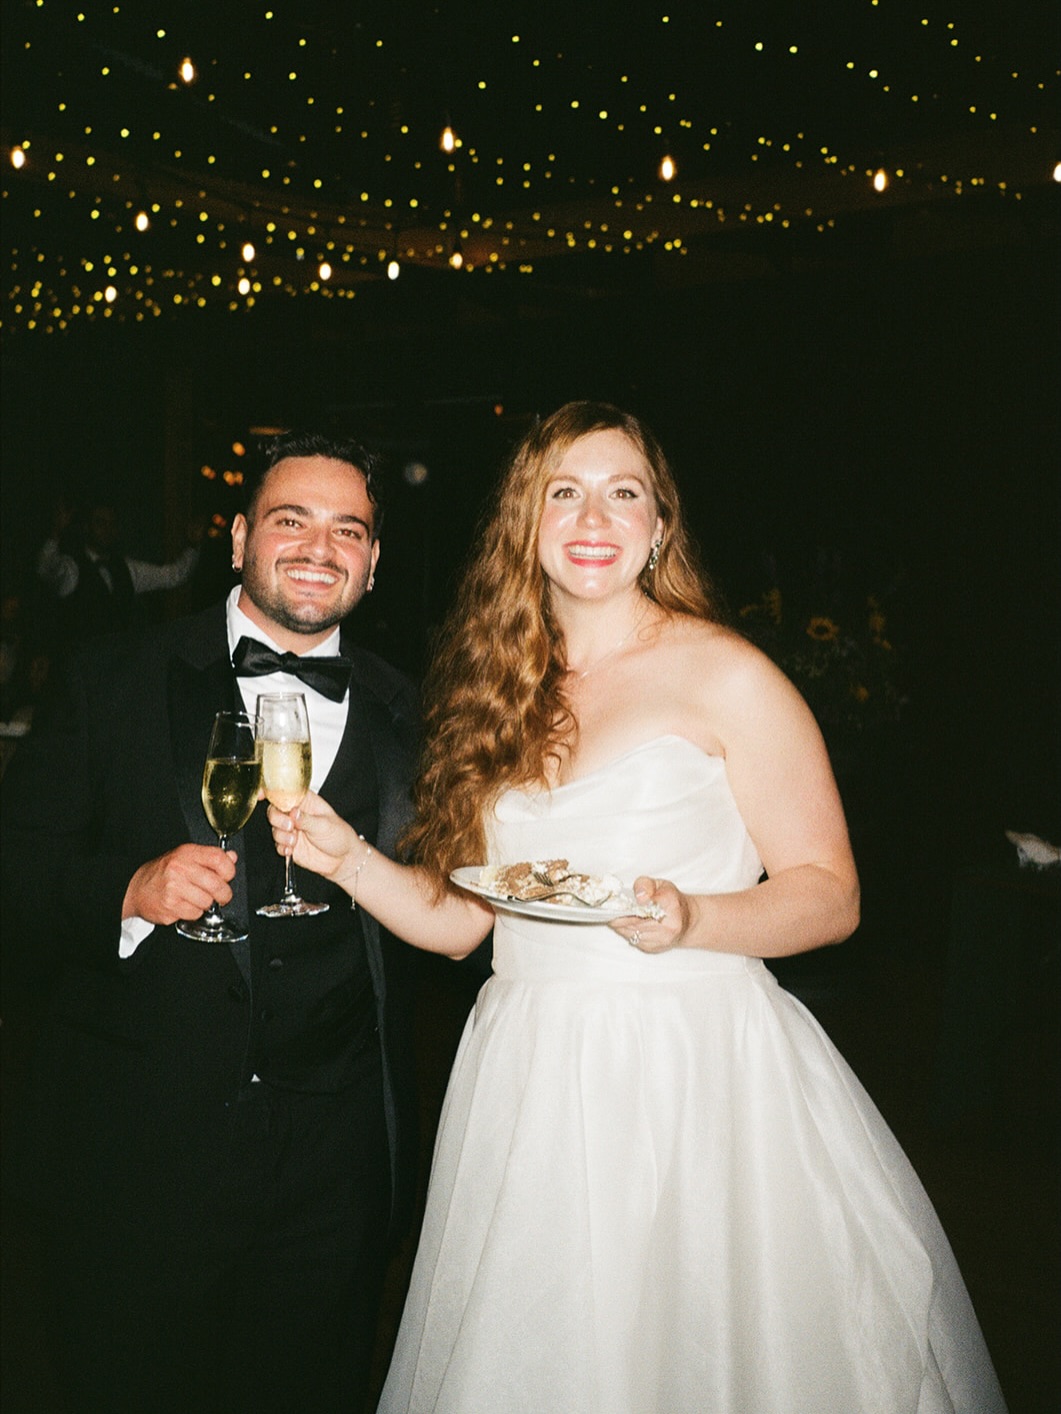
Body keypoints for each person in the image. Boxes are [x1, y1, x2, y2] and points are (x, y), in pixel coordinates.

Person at [267, 401, 1007, 1413]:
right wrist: (342, 855)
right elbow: (462, 924)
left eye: (623, 493)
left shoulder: (726, 674)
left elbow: (830, 895)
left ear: (659, 526)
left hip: (687, 1069)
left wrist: (693, 917)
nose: (592, 515)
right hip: (526, 1065)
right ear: (525, 522)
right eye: (562, 491)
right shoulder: (499, 687)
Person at [1, 431, 420, 1414]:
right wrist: (127, 888)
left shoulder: (416, 708)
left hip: (333, 1163)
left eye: (347, 529)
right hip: (140, 1151)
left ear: (371, 562)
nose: (320, 547)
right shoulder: (112, 675)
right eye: (291, 520)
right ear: (235, 540)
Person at [35, 496, 203, 644]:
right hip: (81, 667)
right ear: (87, 527)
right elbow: (46, 570)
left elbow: (173, 576)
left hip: (117, 664)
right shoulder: (72, 568)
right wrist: (55, 534)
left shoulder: (125, 568)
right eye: (100, 523)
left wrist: (193, 546)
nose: (106, 530)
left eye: (111, 524)